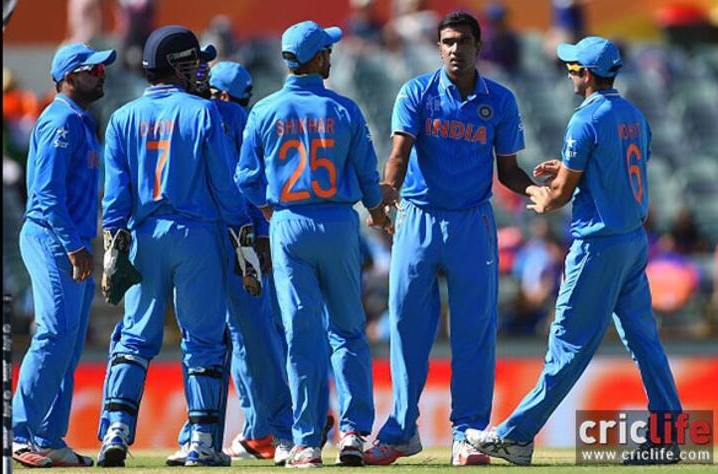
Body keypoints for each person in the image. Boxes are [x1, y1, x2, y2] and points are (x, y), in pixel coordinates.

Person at [465, 36, 684, 466]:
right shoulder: (634, 114)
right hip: (632, 243)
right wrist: (568, 169)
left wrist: (547, 195)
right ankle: (668, 435)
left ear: (585, 74)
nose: (568, 74)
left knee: (568, 343)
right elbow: (615, 169)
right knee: (645, 342)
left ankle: (516, 436)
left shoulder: (585, 120)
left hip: (598, 246)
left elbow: (561, 195)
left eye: (573, 68)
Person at [362, 11, 543, 467]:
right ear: (438, 46)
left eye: (463, 40)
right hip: (419, 218)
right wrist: (387, 194)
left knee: (475, 332)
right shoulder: (417, 93)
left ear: (478, 46)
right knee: (405, 327)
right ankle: (402, 430)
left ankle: (469, 433)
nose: (454, 49)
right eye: (446, 41)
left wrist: (536, 189)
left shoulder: (498, 100)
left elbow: (509, 171)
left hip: (471, 223)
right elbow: (399, 154)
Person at [236, 20, 392, 468]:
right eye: (327, 51)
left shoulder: (264, 111)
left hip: (288, 223)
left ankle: (306, 442)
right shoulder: (344, 109)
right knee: (347, 330)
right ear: (318, 58)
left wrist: (268, 207)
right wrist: (378, 214)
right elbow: (366, 176)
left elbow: (245, 177)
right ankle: (354, 434)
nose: (332, 56)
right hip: (338, 224)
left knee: (301, 336)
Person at [96, 25, 251, 467]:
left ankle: (116, 432)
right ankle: (202, 439)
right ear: (179, 65)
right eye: (194, 62)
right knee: (203, 341)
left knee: (134, 338)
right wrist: (241, 235)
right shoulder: (202, 113)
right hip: (197, 237)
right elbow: (224, 185)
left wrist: (113, 241)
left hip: (143, 236)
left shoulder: (122, 117)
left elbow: (116, 194)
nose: (200, 70)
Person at [165, 60, 295, 467]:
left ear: (220, 94)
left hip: (207, 238)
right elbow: (258, 184)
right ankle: (279, 431)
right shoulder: (239, 116)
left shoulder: (202, 114)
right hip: (240, 240)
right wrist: (259, 235)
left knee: (208, 343)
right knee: (255, 339)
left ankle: (200, 435)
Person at [12, 42, 116, 468]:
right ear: (69, 77)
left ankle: (49, 437)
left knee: (68, 345)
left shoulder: (80, 122)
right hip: (51, 239)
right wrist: (74, 246)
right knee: (54, 334)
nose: (102, 75)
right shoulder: (60, 121)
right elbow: (46, 194)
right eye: (92, 69)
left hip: (68, 241)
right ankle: (19, 433)